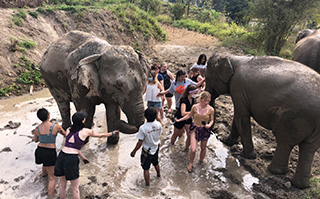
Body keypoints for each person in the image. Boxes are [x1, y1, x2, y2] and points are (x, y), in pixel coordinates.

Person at [54, 111, 119, 199]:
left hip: (61, 156)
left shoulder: (68, 129)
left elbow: (71, 146)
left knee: (62, 185)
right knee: (75, 188)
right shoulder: (86, 131)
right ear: (83, 121)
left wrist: (83, 157)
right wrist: (112, 133)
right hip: (71, 159)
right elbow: (101, 135)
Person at [175, 91, 214, 173]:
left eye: (208, 101)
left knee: (203, 148)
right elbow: (189, 116)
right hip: (195, 129)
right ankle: (191, 163)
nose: (207, 102)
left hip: (204, 130)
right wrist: (179, 120)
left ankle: (200, 161)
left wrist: (209, 125)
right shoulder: (195, 107)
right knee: (193, 149)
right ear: (201, 99)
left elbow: (212, 120)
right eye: (206, 100)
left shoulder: (211, 109)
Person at [33, 108, 67, 196]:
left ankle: (44, 175)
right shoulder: (55, 126)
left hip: (39, 150)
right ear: (48, 116)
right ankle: (50, 196)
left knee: (45, 163)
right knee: (52, 178)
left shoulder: (37, 128)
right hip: (50, 151)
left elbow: (36, 140)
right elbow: (65, 134)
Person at [130, 107, 162, 186]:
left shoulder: (143, 128)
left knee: (146, 168)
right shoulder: (158, 124)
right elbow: (159, 134)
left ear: (145, 116)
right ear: (155, 116)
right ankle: (158, 175)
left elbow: (140, 142)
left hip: (147, 150)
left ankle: (147, 185)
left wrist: (134, 151)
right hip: (156, 147)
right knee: (156, 162)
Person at [171, 85, 198, 150]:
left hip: (188, 118)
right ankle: (171, 145)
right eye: (195, 93)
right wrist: (193, 112)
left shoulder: (193, 99)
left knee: (189, 135)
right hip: (180, 118)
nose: (196, 94)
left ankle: (186, 149)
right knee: (176, 134)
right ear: (190, 92)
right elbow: (183, 113)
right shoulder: (184, 100)